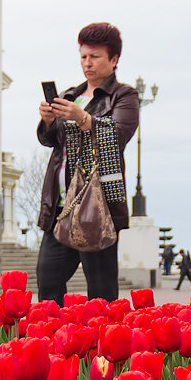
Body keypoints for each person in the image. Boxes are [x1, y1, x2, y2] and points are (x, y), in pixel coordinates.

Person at [36, 23, 139, 305]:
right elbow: (52, 141)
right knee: (48, 286)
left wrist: (83, 118)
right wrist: (48, 120)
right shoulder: (71, 95)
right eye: (83, 56)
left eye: (95, 57)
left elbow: (118, 135)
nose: (87, 63)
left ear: (114, 59)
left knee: (102, 295)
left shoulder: (124, 96)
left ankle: (103, 346)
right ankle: (52, 345)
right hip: (60, 207)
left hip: (98, 208)